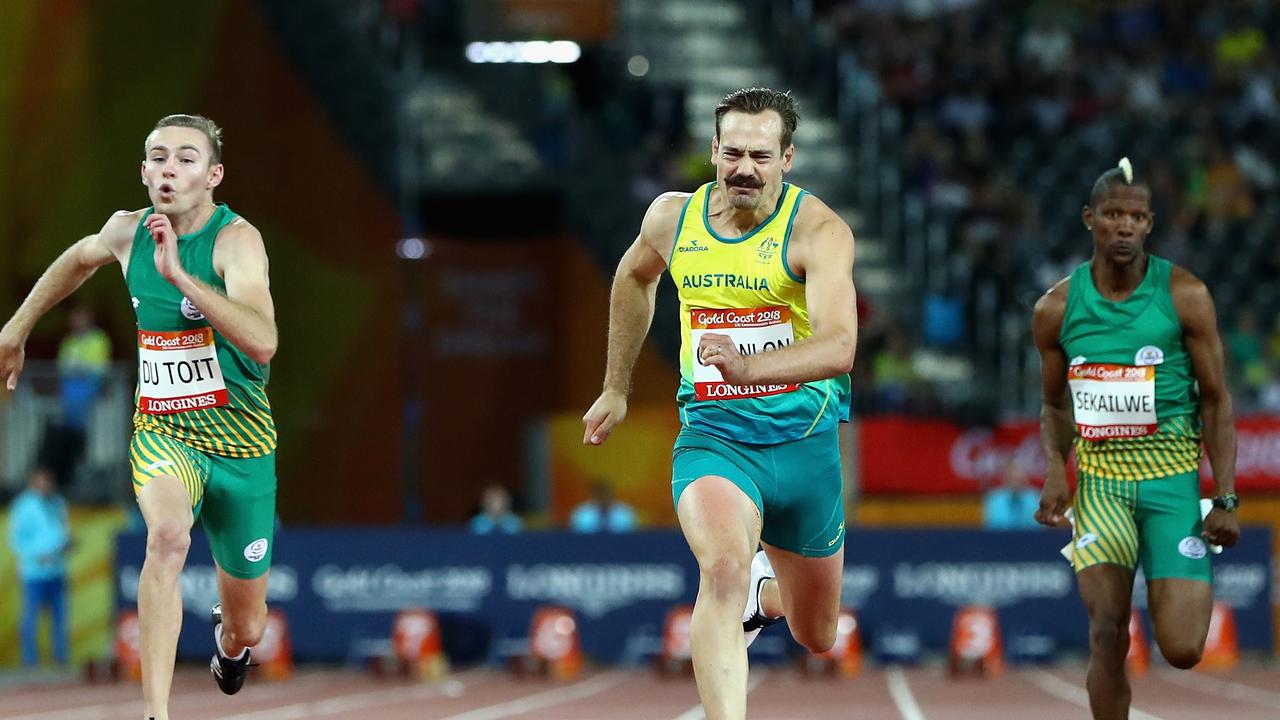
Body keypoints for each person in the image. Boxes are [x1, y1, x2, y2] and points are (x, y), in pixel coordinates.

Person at [582, 88, 856, 720]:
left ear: (787, 157)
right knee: (723, 566)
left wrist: (747, 364)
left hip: (805, 447)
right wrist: (616, 387)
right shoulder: (672, 219)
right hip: (715, 438)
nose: (743, 168)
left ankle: (769, 594)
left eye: (760, 155)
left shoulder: (818, 232)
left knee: (818, 635)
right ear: (712, 152)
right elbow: (633, 277)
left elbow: (840, 346)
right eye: (731, 152)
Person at [0, 114, 278, 720]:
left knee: (250, 627)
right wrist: (17, 328)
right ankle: (157, 713)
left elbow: (262, 342)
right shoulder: (127, 233)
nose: (169, 169)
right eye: (158, 157)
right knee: (167, 538)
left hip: (244, 450)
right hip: (165, 434)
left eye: (185, 158)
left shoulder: (237, 241)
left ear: (213, 175)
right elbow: (76, 259)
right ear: (144, 171)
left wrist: (181, 276)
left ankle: (227, 646)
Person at [1033, 158, 1240, 720]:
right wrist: (1057, 466)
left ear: (1149, 225)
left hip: (1173, 481)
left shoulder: (1185, 294)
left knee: (1183, 648)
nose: (1124, 225)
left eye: (1137, 216)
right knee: (1106, 632)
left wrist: (1224, 495)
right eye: (1113, 214)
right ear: (1090, 219)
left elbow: (1218, 399)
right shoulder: (1055, 308)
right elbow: (1054, 403)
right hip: (1101, 483)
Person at [41, 303, 111, 489]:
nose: (76, 323)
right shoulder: (69, 341)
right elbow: (62, 367)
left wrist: (78, 368)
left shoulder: (98, 339)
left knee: (79, 433)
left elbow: (98, 368)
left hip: (88, 392)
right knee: (63, 432)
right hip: (70, 394)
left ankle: (78, 468)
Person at [7, 467, 70, 666]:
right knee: (31, 615)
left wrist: (65, 545)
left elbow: (62, 531)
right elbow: (16, 538)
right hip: (34, 571)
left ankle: (60, 658)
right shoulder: (23, 506)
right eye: (41, 481)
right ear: (33, 481)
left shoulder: (58, 503)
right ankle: (29, 659)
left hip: (57, 568)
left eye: (48, 481)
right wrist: (36, 555)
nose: (45, 485)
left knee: (60, 616)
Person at [982, 457, 1041, 531]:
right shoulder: (994, 499)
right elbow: (994, 527)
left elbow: (1037, 529)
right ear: (1005, 476)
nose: (1015, 477)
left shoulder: (1035, 498)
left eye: (1018, 473)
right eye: (1012, 473)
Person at [569, 480, 637, 533]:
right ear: (593, 495)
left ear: (611, 494)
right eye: (599, 494)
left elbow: (631, 534)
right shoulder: (581, 512)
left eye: (606, 493)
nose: (603, 497)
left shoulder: (625, 511)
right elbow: (577, 534)